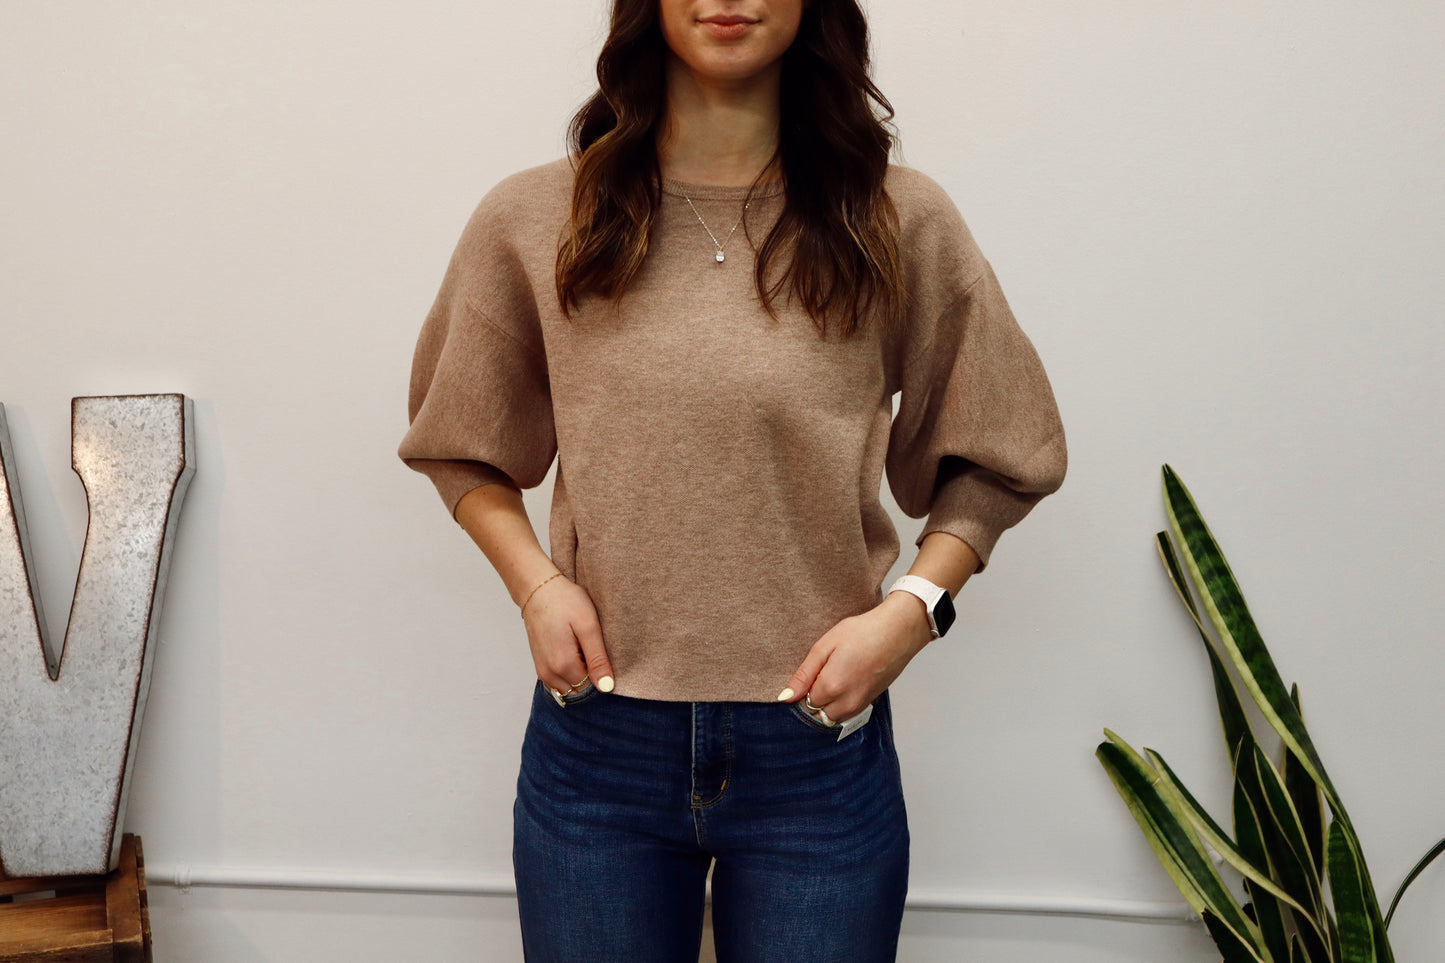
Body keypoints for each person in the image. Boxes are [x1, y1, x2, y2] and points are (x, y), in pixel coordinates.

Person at [399, 0, 1066, 959]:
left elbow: (1005, 442)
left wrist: (913, 608)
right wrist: (536, 585)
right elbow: (457, 437)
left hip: (818, 753)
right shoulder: (538, 216)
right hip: (598, 745)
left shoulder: (895, 218)